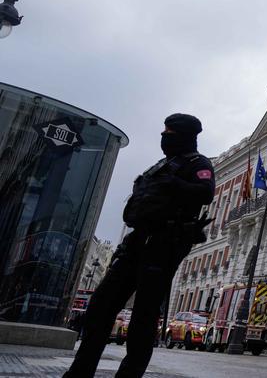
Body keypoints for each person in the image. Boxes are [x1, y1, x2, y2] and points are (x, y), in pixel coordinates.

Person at [64, 114, 214, 378]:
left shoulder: (198, 163)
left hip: (164, 244)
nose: (164, 137)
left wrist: (175, 185)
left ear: (187, 136)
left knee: (143, 318)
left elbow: (206, 192)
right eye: (164, 131)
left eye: (171, 132)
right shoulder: (159, 165)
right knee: (100, 307)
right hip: (136, 242)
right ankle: (79, 372)